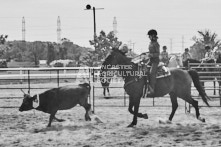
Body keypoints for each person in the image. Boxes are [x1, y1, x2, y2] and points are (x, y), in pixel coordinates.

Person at [145, 29, 160, 96]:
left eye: (149, 36)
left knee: (151, 73)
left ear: (153, 36)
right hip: (150, 60)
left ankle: (152, 90)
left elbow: (157, 54)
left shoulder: (156, 44)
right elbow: (150, 52)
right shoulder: (151, 43)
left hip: (155, 61)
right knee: (143, 69)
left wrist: (151, 55)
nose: (148, 37)